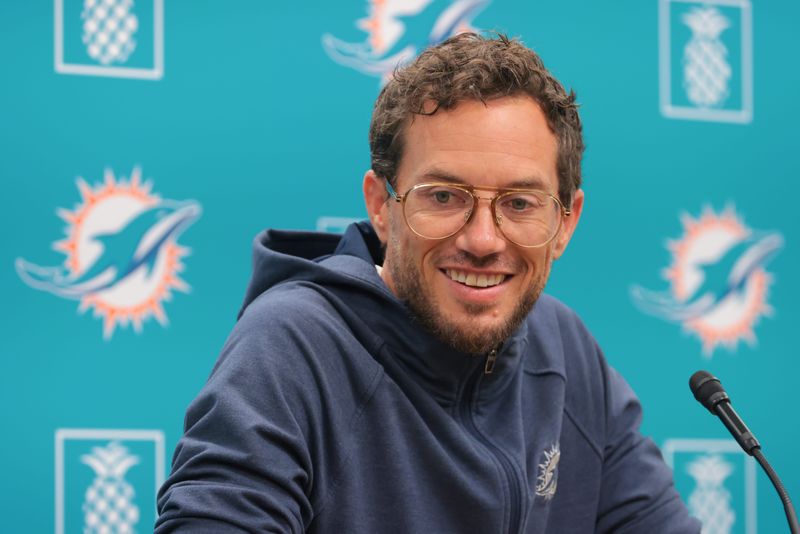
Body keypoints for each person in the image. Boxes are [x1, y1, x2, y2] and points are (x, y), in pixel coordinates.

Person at [155, 33, 700, 533]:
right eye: (444, 197)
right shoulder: (292, 346)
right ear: (381, 207)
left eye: (518, 204)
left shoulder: (565, 350)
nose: (484, 240)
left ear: (564, 223)